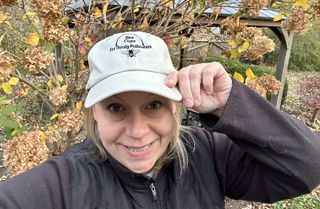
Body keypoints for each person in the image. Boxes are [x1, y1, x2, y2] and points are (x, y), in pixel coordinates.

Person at [0, 31, 320, 209]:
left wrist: (232, 102)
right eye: (115, 108)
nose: (138, 132)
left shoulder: (207, 154)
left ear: (175, 108)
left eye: (154, 105)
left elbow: (308, 166)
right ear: (93, 113)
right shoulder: (65, 182)